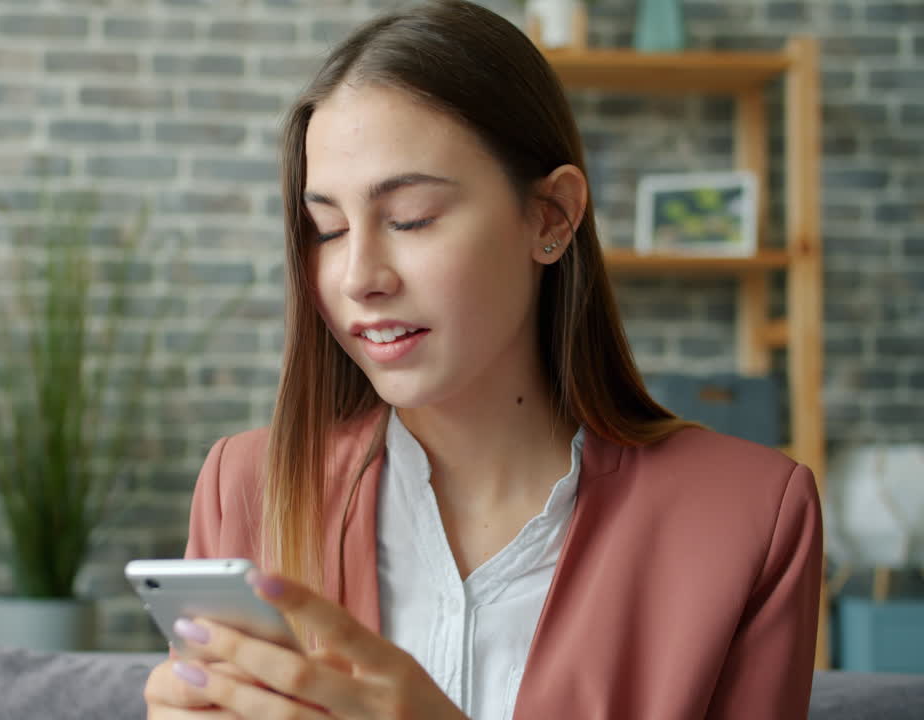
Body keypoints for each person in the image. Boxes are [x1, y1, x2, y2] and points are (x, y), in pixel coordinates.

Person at [142, 1, 823, 718]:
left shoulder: (751, 518)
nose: (358, 277)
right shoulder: (245, 487)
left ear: (551, 217)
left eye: (412, 218)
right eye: (328, 229)